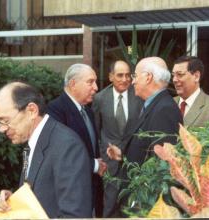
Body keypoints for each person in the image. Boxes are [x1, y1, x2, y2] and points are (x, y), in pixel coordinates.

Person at [0, 82, 92, 218]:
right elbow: (42, 195)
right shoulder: (35, 141)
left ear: (32, 111)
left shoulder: (66, 145)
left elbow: (75, 215)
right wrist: (14, 202)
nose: (1, 129)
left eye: (5, 120)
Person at [47, 63, 107, 217]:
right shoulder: (55, 110)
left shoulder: (87, 110)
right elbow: (59, 154)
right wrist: (94, 165)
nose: (96, 87)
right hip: (71, 197)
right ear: (73, 84)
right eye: (90, 82)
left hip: (90, 192)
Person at [107, 56, 183, 167]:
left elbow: (162, 165)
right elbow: (144, 148)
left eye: (135, 76)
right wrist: (122, 154)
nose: (133, 82)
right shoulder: (153, 105)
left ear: (148, 77)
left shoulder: (165, 110)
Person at [92, 60, 144, 217]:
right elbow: (96, 130)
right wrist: (102, 157)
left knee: (134, 207)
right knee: (110, 207)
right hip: (110, 164)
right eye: (120, 75)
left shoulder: (139, 96)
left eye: (128, 75)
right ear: (110, 77)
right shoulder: (100, 98)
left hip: (134, 162)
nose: (125, 79)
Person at [172, 56, 209, 127]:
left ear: (196, 76)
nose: (174, 80)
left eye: (180, 74)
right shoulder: (168, 104)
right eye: (173, 75)